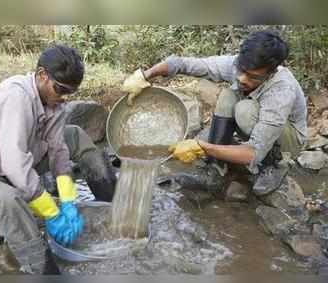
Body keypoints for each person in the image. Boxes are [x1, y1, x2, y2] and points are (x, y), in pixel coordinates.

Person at [0, 45, 116, 274]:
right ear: (42, 75)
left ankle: (111, 207)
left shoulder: (55, 103)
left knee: (75, 135)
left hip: (20, 163)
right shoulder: (16, 96)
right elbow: (14, 164)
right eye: (60, 89)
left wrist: (68, 200)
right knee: (9, 199)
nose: (63, 97)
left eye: (69, 93)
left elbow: (59, 151)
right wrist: (51, 211)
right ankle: (45, 271)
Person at [123, 30, 307, 195]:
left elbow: (253, 152)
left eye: (253, 77)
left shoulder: (282, 90)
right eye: (242, 70)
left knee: (245, 110)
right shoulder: (236, 66)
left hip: (287, 139)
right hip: (254, 121)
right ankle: (216, 167)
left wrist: (202, 146)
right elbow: (182, 64)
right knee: (228, 95)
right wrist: (144, 76)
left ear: (271, 73)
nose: (242, 78)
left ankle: (275, 164)